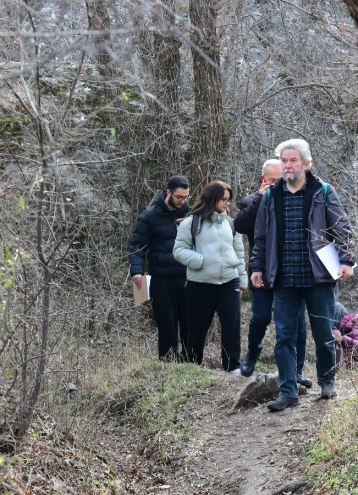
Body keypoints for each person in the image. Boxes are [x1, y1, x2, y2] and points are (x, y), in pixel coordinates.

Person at [250, 139, 356, 411]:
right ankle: (288, 392)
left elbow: (341, 228)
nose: (287, 165)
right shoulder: (272, 196)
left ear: (307, 164)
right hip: (283, 279)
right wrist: (257, 268)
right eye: (284, 160)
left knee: (323, 334)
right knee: (284, 337)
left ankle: (327, 383)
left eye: (293, 160)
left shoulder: (323, 191)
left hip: (318, 277)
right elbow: (260, 237)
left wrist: (346, 260)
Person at [235, 159, 311, 386]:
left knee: (297, 322)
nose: (278, 184)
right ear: (263, 180)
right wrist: (261, 197)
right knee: (260, 317)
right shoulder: (251, 202)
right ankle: (251, 356)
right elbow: (240, 225)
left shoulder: (297, 199)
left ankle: (296, 370)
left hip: (291, 272)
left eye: (281, 180)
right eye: (272, 181)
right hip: (263, 273)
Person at [173, 181, 247, 372]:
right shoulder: (191, 222)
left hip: (229, 283)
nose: (227, 204)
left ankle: (233, 367)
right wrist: (200, 261)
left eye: (228, 200)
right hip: (200, 284)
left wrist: (242, 280)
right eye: (224, 199)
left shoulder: (231, 224)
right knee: (197, 328)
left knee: (232, 327)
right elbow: (178, 250)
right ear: (212, 199)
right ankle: (192, 366)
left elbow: (239, 253)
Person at [129, 175, 192, 361]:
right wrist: (137, 271)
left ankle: (191, 362)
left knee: (190, 321)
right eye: (179, 197)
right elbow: (137, 246)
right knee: (167, 322)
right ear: (168, 192)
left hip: (187, 276)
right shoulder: (149, 216)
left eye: (186, 197)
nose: (182, 201)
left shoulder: (191, 215)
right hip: (161, 277)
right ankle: (168, 361)